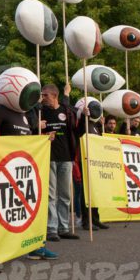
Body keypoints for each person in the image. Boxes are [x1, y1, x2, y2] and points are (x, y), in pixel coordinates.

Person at [0, 101, 58, 263]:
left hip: (24, 170)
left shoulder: (24, 113)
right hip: (4, 170)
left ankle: (34, 246)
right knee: (0, 211)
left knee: (29, 209)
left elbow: (27, 140)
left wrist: (42, 139)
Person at [41, 83, 81, 241]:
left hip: (66, 157)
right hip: (48, 157)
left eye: (45, 95)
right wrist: (42, 132)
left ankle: (63, 227)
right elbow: (32, 127)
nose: (42, 98)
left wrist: (83, 114)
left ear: (54, 96)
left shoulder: (66, 110)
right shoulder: (40, 111)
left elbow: (71, 110)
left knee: (65, 195)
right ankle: (51, 229)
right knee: (51, 195)